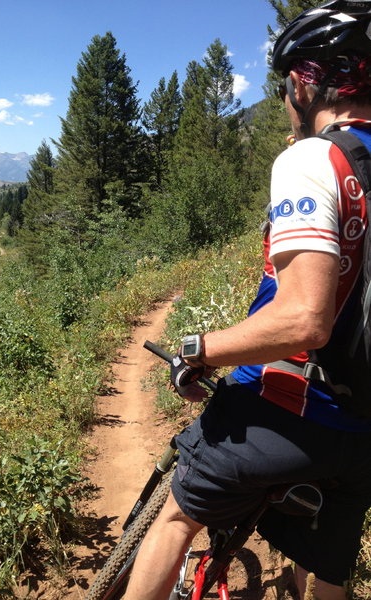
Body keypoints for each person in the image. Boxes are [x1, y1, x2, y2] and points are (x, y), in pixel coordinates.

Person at [123, 2, 371, 599]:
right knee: (332, 577)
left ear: (306, 82)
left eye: (287, 85)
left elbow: (303, 319)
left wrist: (199, 349)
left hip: (291, 412)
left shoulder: (315, 157)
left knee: (178, 517)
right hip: (364, 430)